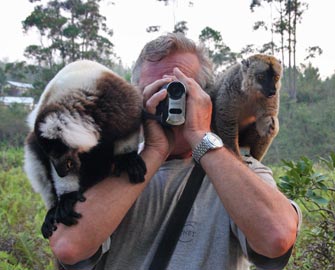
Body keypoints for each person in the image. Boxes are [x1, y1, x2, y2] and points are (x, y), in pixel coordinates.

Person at [49, 33, 301, 270]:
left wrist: (200, 136)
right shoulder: (108, 168)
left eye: (179, 90)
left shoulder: (236, 171)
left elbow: (276, 237)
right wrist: (154, 151)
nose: (166, 100)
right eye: (154, 89)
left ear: (204, 97)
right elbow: (68, 246)